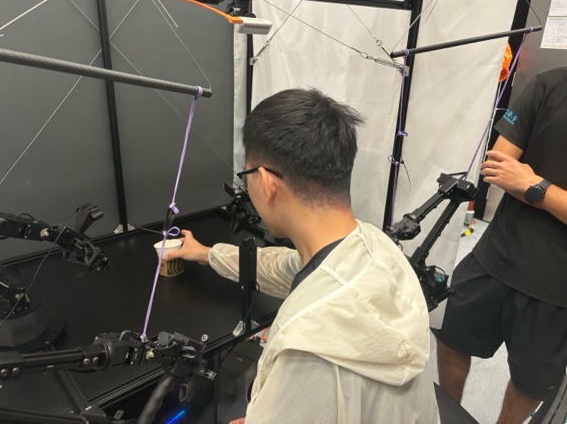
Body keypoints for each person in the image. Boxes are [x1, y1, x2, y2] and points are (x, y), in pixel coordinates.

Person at [165, 88, 440, 423]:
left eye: (247, 175)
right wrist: (206, 253)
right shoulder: (372, 245)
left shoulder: (305, 347)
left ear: (266, 183)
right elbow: (280, 266)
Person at [434, 67, 567, 423]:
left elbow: (519, 179)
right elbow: (499, 167)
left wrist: (535, 186)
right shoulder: (548, 84)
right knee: (450, 337)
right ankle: (450, 415)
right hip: (494, 256)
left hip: (557, 292)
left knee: (530, 383)